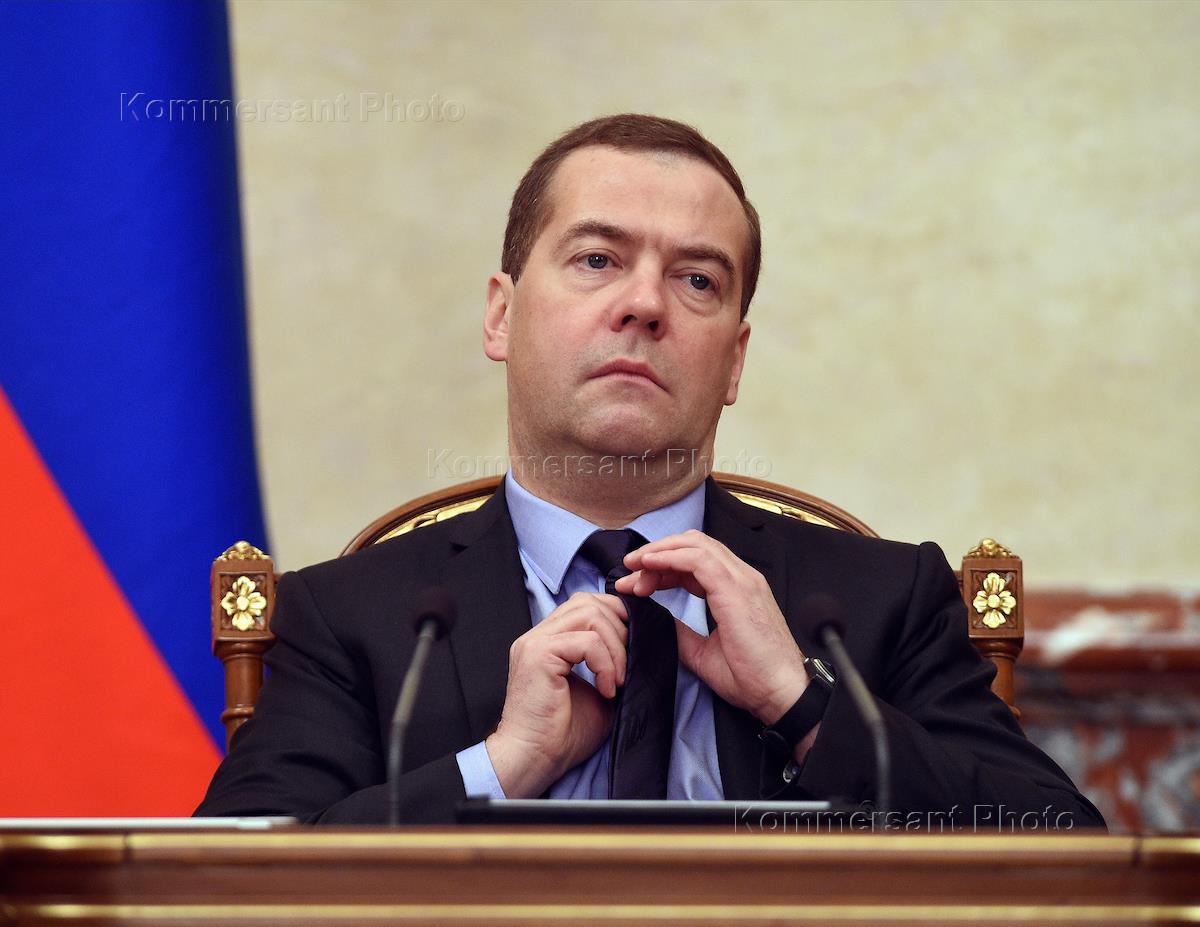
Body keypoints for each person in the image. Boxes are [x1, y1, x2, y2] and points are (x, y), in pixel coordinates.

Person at [196, 114, 1103, 828]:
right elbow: (230, 886)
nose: (644, 304)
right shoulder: (356, 617)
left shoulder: (879, 603)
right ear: (501, 316)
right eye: (598, 260)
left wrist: (804, 705)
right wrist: (501, 767)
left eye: (698, 280)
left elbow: (1057, 851)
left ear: (734, 360)